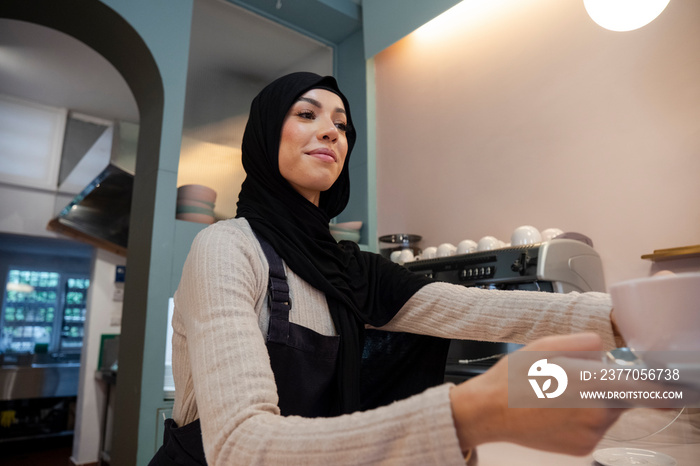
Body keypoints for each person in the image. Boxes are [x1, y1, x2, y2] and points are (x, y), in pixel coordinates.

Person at [151, 72, 624, 465]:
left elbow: (482, 309)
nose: (332, 131)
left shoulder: (351, 271)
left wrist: (627, 316)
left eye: (342, 125)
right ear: (265, 134)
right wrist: (468, 414)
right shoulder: (226, 249)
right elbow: (239, 446)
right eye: (306, 114)